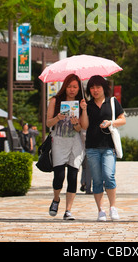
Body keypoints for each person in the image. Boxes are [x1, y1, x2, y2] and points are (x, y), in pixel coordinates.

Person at [80, 75, 126, 221]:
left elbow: (122, 120)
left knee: (109, 176)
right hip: (92, 147)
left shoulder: (112, 102)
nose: (95, 90)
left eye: (98, 87)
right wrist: (83, 110)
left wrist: (110, 122)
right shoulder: (87, 105)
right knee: (97, 180)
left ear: (104, 88)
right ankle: (101, 210)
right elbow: (85, 126)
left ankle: (113, 207)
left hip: (108, 146)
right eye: (92, 87)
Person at [46, 74, 85, 220]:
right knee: (59, 175)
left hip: (75, 142)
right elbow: (48, 123)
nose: (72, 90)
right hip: (59, 142)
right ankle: (56, 199)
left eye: (75, 87)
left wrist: (76, 123)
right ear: (64, 86)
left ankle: (68, 210)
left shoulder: (81, 103)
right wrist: (58, 118)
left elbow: (81, 128)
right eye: (69, 86)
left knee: (73, 176)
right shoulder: (55, 101)